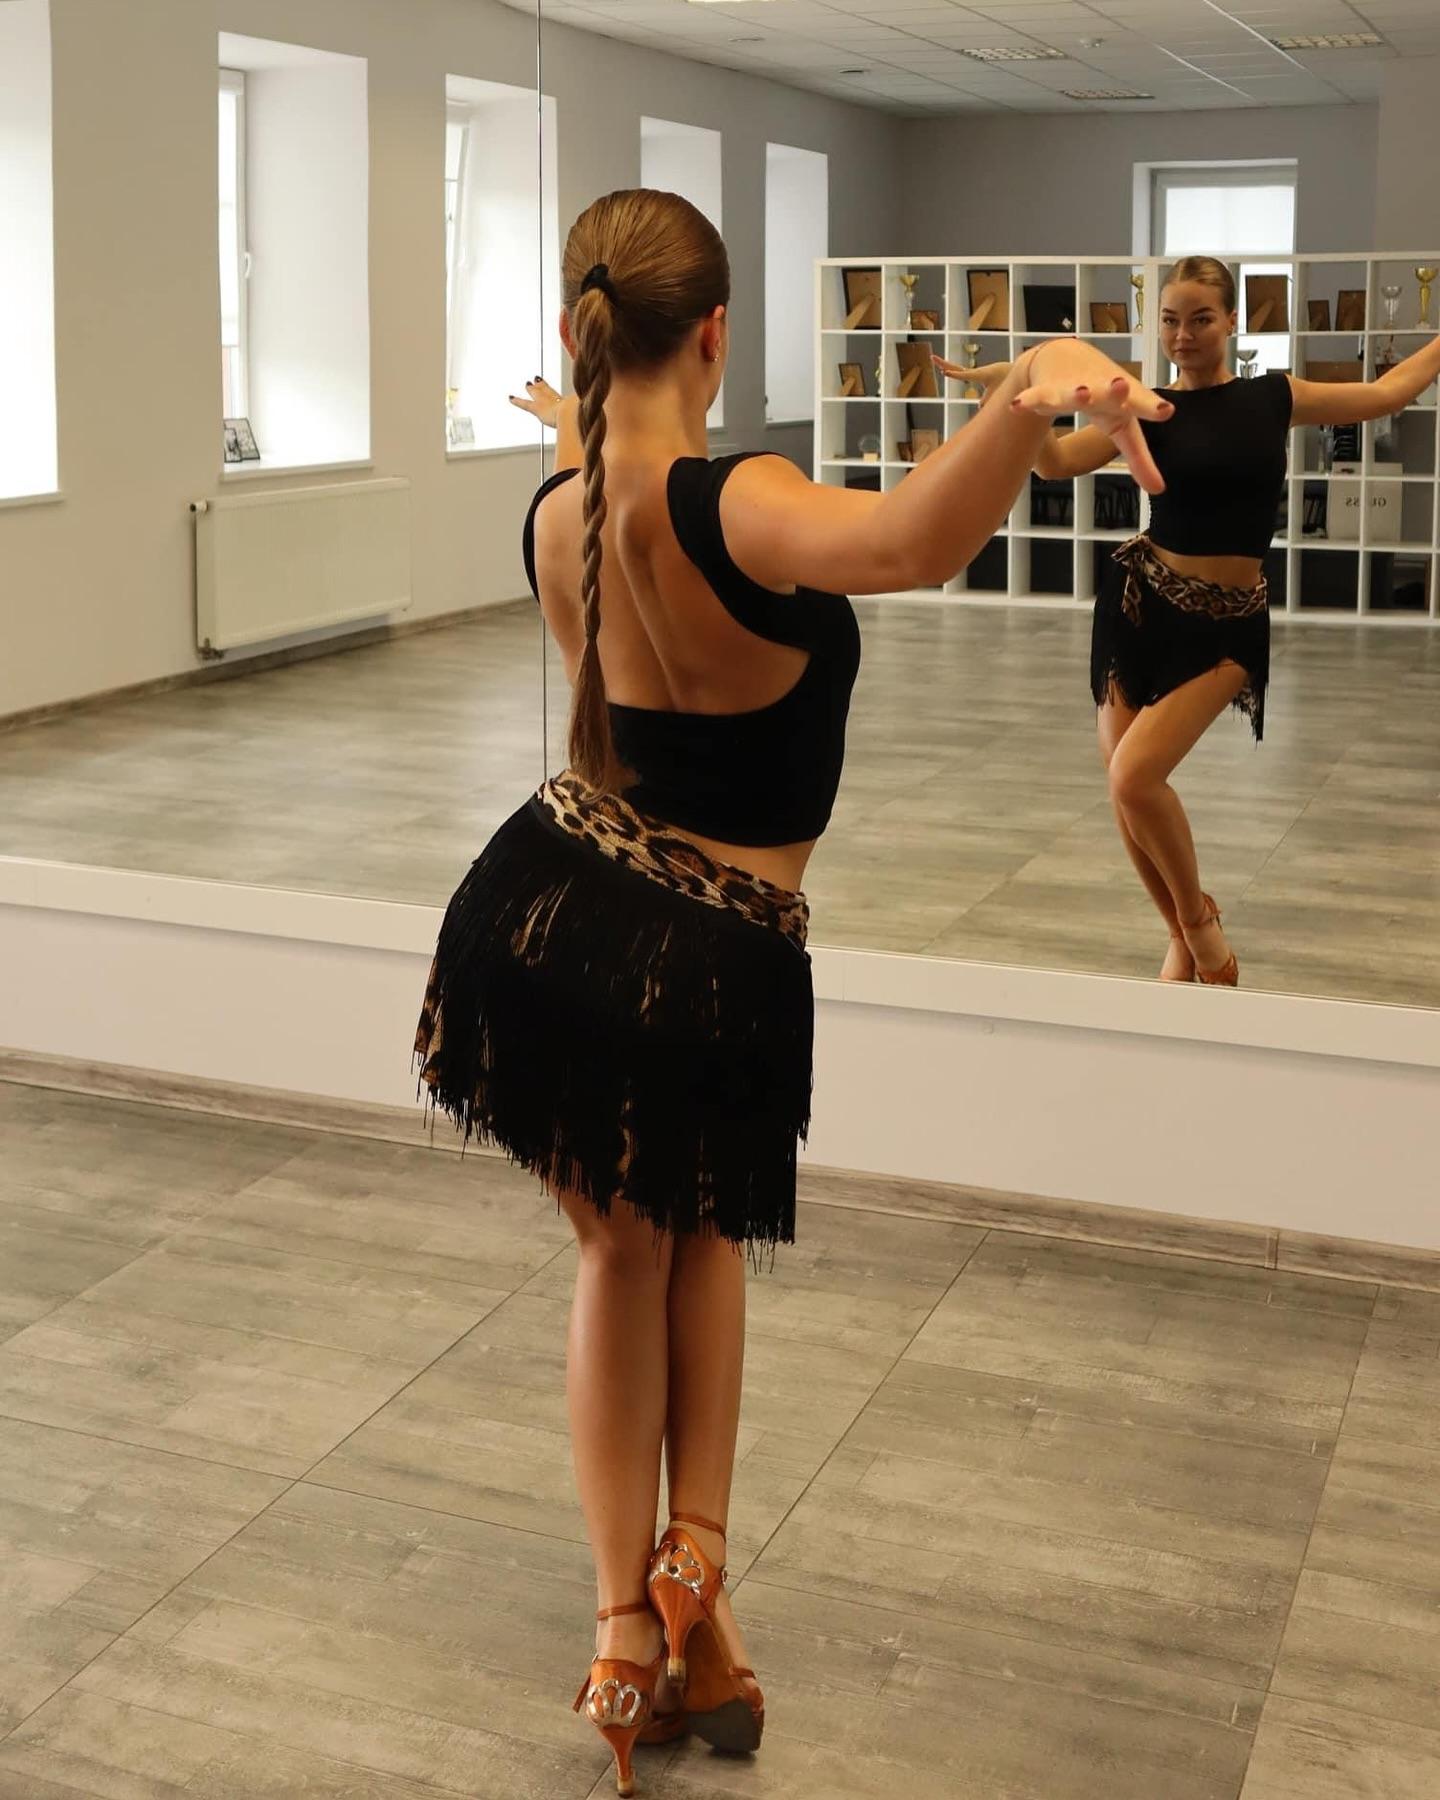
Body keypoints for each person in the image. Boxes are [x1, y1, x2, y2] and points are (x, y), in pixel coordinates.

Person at [414, 188, 1169, 1798]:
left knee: (631, 1252)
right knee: (684, 1244)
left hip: (546, 912)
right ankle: (684, 1576)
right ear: (716, 332)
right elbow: (909, 544)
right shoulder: (736, 498)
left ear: (580, 334)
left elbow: (607, 494)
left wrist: (576, 421)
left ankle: (642, 1628)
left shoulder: (558, 509)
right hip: (712, 951)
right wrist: (1028, 388)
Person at [939, 255, 1440, 986]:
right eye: (1171, 320)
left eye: (1201, 318)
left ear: (1232, 320)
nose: (1183, 334)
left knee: (1135, 777)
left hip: (1228, 623)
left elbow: (1386, 392)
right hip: (1140, 607)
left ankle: (1200, 926)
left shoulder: (1273, 396)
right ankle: (1185, 936)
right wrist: (1017, 395)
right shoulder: (1147, 406)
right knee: (1125, 790)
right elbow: (1052, 463)